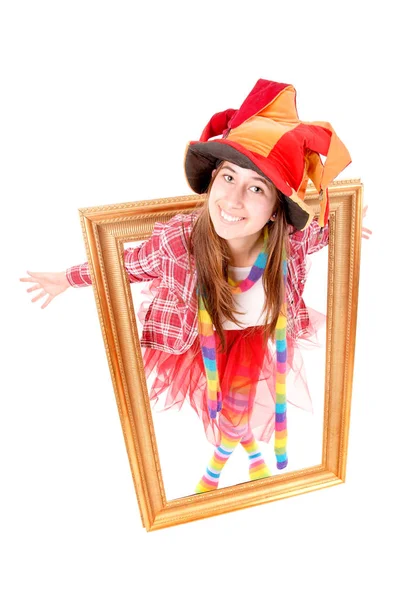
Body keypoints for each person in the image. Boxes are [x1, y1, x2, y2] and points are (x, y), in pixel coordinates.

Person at [19, 79, 371, 494]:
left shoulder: (287, 246)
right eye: (227, 178)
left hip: (255, 339)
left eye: (256, 188)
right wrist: (65, 278)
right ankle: (255, 454)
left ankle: (218, 466)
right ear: (212, 180)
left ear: (277, 210)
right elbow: (126, 265)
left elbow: (322, 232)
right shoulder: (177, 243)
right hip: (199, 339)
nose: (233, 199)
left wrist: (347, 226)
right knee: (222, 408)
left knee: (235, 411)